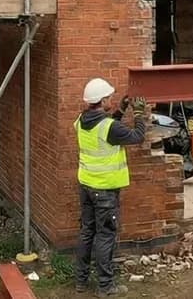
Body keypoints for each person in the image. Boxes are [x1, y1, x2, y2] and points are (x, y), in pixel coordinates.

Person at [75, 77, 147, 295]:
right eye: (110, 98)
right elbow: (137, 136)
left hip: (86, 184)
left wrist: (122, 108)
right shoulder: (107, 127)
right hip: (104, 190)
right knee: (105, 236)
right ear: (103, 100)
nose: (112, 100)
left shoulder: (81, 120)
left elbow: (109, 130)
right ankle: (105, 287)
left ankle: (81, 281)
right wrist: (138, 114)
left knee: (87, 232)